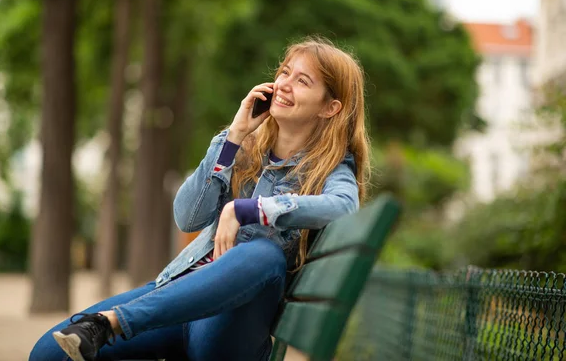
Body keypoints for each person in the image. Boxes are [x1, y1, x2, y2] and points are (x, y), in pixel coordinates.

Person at [29, 36, 371, 361]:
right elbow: (188, 217)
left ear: (330, 108)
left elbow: (343, 206)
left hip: (227, 325)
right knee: (48, 353)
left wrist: (251, 209)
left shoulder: (331, 169)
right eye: (284, 72)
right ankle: (110, 323)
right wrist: (235, 135)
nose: (283, 83)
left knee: (263, 255)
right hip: (178, 299)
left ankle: (113, 322)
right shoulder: (242, 150)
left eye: (303, 81)